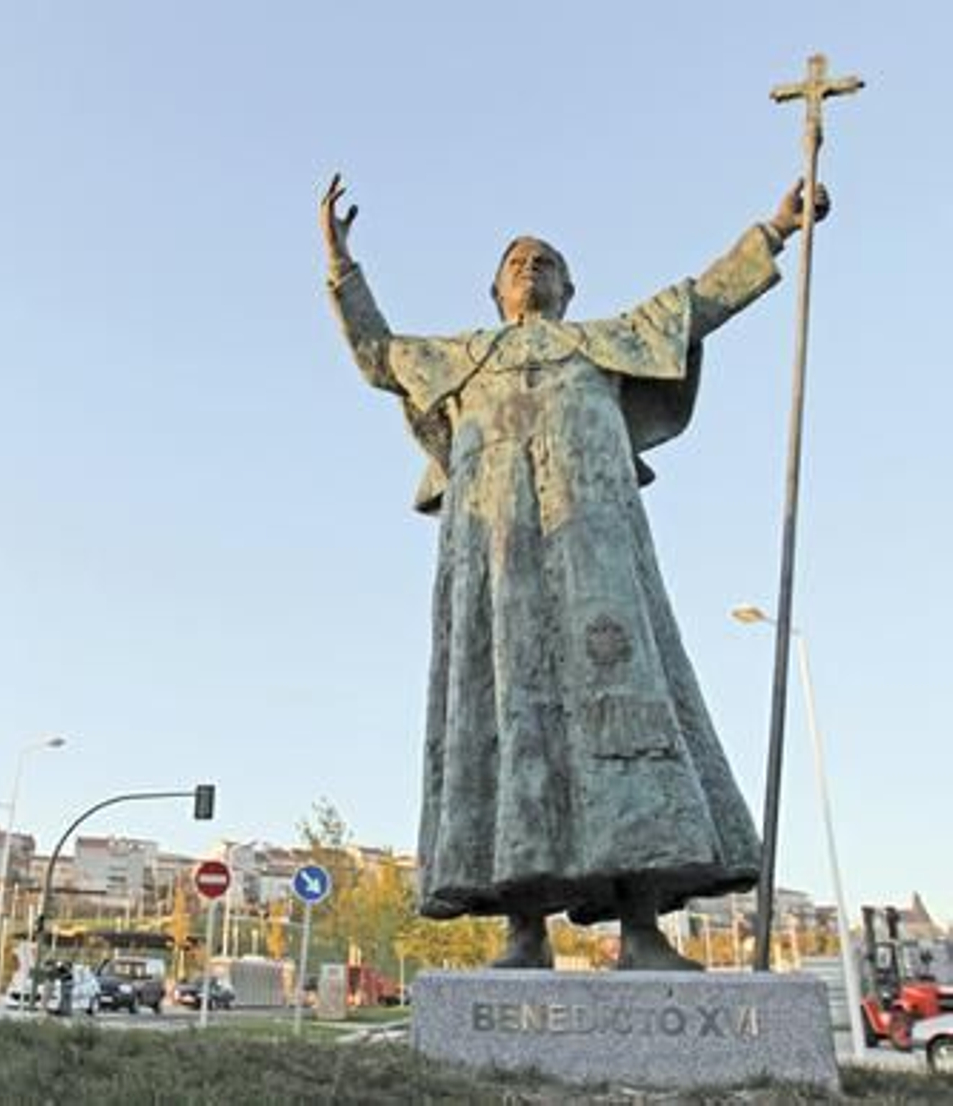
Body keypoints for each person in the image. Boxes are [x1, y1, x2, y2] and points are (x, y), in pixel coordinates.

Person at [322, 175, 828, 970]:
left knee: (625, 717)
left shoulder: (608, 344)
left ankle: (641, 930)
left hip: (598, 559)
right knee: (504, 721)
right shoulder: (464, 361)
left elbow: (696, 304)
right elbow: (381, 357)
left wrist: (774, 230)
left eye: (547, 260)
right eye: (517, 261)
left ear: (569, 287)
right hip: (497, 566)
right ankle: (523, 930)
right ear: (496, 292)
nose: (531, 267)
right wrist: (343, 272)